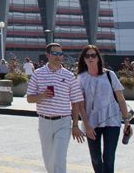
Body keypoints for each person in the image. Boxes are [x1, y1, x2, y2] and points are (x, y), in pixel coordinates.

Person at [26, 43, 91, 173]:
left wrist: (75, 125)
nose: (58, 57)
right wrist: (42, 96)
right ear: (48, 55)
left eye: (60, 54)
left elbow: (76, 101)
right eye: (55, 53)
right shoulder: (38, 74)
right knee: (48, 159)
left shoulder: (69, 76)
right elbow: (29, 98)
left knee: (59, 158)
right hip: (44, 121)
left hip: (63, 122)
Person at [76, 45, 132, 173]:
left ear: (98, 58)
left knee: (108, 158)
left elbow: (121, 99)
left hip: (112, 120)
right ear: (83, 59)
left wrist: (127, 121)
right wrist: (86, 124)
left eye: (93, 55)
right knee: (95, 158)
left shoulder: (109, 74)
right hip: (92, 122)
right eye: (87, 56)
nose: (90, 58)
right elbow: (80, 104)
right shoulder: (81, 78)